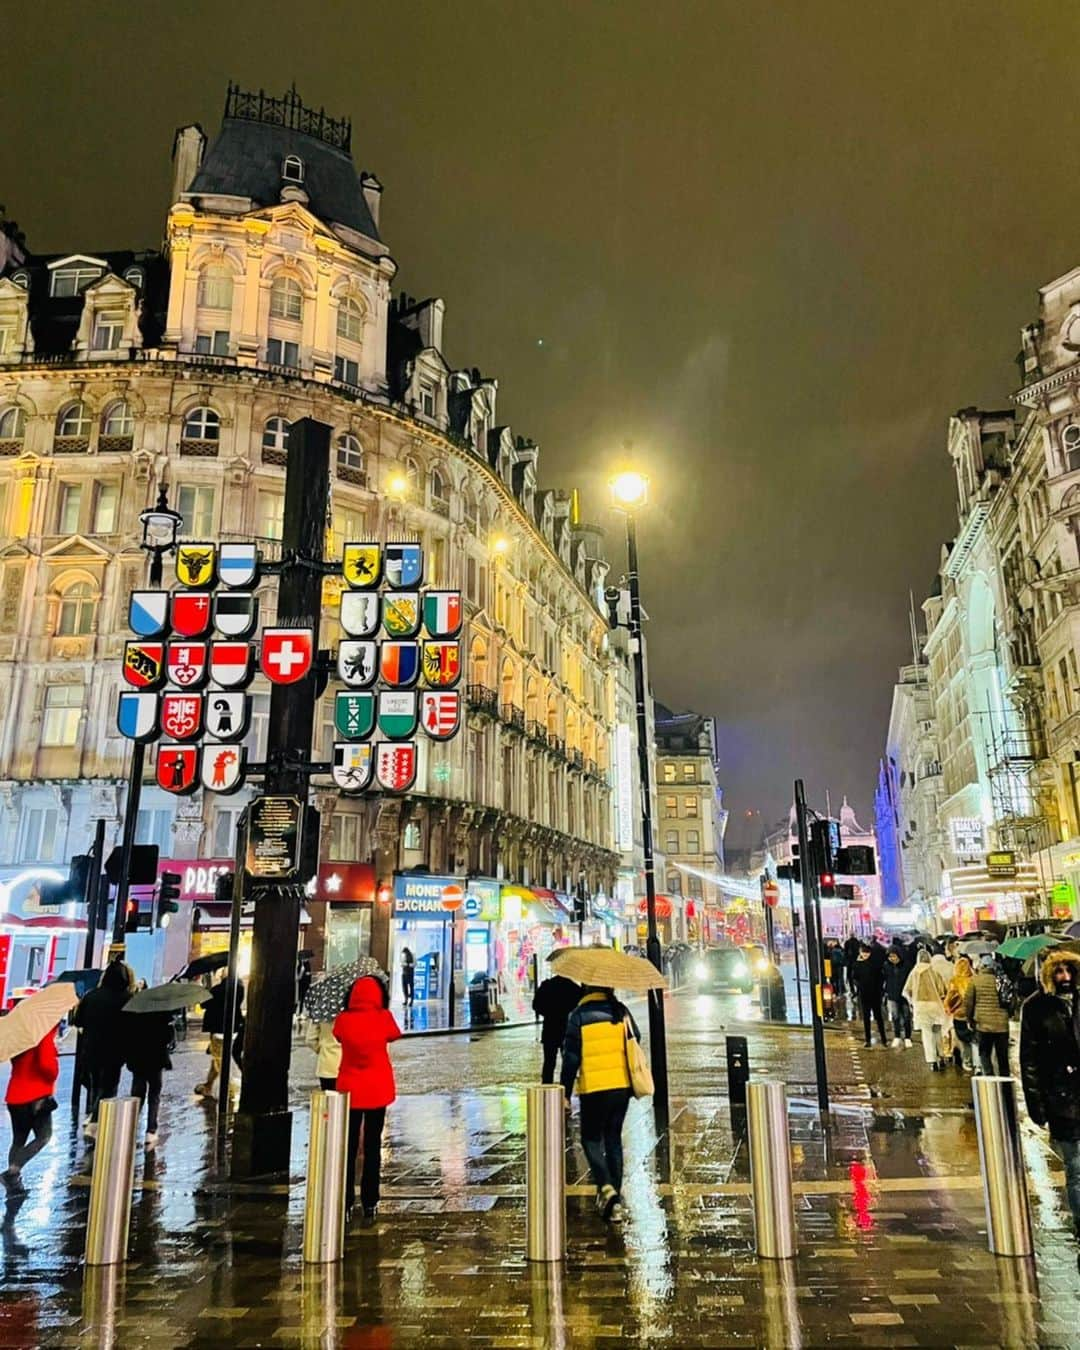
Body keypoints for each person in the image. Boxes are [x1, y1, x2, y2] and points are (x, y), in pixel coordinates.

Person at [561, 985, 640, 1223]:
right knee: (613, 1138)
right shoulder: (620, 1011)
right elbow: (636, 1038)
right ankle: (614, 1199)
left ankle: (606, 1187)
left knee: (591, 1139)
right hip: (621, 1086)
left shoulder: (579, 1015)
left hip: (594, 1088)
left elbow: (571, 1057)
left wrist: (564, 1091)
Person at [1020, 950, 1080, 1235]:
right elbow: (1028, 1060)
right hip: (1061, 1099)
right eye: (1059, 972)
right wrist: (1036, 1106)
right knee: (1076, 1168)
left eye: (1069, 971)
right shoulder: (1035, 1008)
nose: (1065, 977)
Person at [334, 975, 402, 1224]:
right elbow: (395, 1034)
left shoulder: (344, 1019)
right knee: (372, 1145)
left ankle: (346, 1199)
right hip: (377, 1089)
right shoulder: (383, 1018)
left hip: (350, 1089)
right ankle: (370, 1200)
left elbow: (337, 1036)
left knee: (348, 1146)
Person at [72, 959, 134, 1136]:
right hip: (115, 1049)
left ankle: (92, 1113)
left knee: (95, 1082)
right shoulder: (128, 999)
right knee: (109, 1085)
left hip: (91, 1047)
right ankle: (97, 1120)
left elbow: (78, 1022)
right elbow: (131, 1025)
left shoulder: (91, 996)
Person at [2, 1027, 58, 1194]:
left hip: (15, 1095)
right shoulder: (42, 1033)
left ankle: (14, 1185)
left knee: (18, 1139)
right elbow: (48, 1067)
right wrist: (55, 1063)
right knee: (43, 1136)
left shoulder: (18, 1034)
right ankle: (12, 1172)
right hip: (36, 1096)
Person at [125, 1011, 174, 1148]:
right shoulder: (162, 1016)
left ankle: (131, 1127)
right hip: (155, 1060)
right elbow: (168, 1038)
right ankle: (151, 1130)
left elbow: (128, 1036)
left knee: (137, 1095)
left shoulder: (134, 1015)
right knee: (154, 1095)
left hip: (138, 1060)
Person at [195, 972, 244, 1100]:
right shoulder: (240, 989)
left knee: (220, 1061)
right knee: (217, 1059)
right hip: (233, 1028)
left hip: (218, 1030)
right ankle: (208, 1085)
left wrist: (206, 991)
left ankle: (229, 1090)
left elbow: (203, 1004)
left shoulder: (217, 990)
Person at [964, 953, 1011, 1076]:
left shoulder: (975, 980)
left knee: (984, 1053)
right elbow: (1011, 1000)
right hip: (1002, 1025)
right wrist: (1008, 1015)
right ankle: (1005, 1084)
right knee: (1002, 1057)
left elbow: (968, 1003)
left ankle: (989, 1078)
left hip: (983, 1025)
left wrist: (970, 1020)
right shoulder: (1001, 980)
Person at [532, 969, 581, 1084]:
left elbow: (536, 1005)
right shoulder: (574, 988)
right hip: (568, 1030)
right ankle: (566, 1090)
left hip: (550, 1028)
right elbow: (580, 1009)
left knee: (549, 1063)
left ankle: (546, 1087)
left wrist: (548, 1013)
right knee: (568, 1063)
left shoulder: (547, 986)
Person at [903, 949, 949, 1070]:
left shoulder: (914, 972)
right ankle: (941, 1056)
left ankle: (932, 1061)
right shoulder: (934, 971)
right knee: (937, 1031)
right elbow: (942, 990)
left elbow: (907, 990)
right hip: (935, 1005)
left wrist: (912, 1002)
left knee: (927, 1034)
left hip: (921, 1006)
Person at [943, 955, 976, 1072]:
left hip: (959, 1015)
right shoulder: (974, 979)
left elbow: (950, 998)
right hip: (973, 1014)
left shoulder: (954, 981)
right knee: (974, 1039)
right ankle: (977, 1063)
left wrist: (948, 1007)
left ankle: (967, 1062)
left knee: (964, 1040)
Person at [851, 943, 887, 1047]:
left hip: (875, 994)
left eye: (867, 953)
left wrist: (880, 989)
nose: (865, 955)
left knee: (878, 1017)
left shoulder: (874, 964)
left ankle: (883, 1039)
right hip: (864, 994)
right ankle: (868, 1040)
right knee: (866, 1018)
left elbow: (881, 977)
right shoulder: (857, 964)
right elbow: (854, 978)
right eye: (863, 953)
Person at [882, 947, 913, 1047]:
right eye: (890, 956)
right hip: (892, 995)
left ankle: (908, 1037)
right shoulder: (886, 966)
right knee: (895, 1016)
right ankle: (897, 1036)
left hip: (905, 995)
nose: (892, 958)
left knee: (906, 1017)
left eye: (894, 956)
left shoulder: (907, 965)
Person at [305, 1017, 342, 1090]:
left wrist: (321, 1050)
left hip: (326, 1065)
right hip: (346, 1065)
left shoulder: (319, 1012)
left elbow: (310, 1040)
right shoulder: (349, 1013)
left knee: (329, 1099)